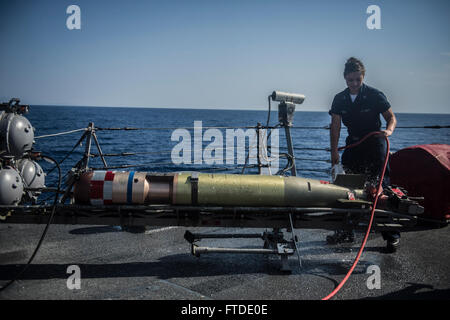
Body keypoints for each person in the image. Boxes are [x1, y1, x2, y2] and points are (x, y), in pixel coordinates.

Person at [328, 57, 400, 251]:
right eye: (350, 80)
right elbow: (335, 126)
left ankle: (392, 235)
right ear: (345, 78)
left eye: (357, 80)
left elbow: (391, 117)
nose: (354, 84)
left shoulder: (375, 95)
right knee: (346, 188)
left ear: (363, 77)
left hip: (375, 144)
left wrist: (389, 131)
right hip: (353, 144)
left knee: (380, 190)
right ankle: (345, 231)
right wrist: (334, 151)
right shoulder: (339, 98)